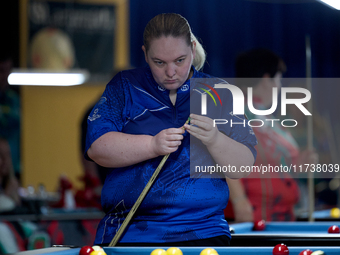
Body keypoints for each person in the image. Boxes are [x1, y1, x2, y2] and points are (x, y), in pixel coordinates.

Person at [84, 13, 257, 246]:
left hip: (204, 232)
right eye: (159, 62)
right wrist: (151, 145)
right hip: (129, 234)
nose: (171, 72)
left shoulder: (219, 92)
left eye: (179, 60)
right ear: (145, 54)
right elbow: (97, 148)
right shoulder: (124, 86)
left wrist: (216, 139)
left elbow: (243, 166)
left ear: (193, 50)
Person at [224, 48, 318, 222]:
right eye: (279, 79)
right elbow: (223, 158)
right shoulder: (233, 112)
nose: (279, 86)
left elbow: (280, 166)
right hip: (252, 221)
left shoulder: (268, 119)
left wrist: (300, 163)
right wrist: (239, 201)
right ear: (267, 79)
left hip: (279, 218)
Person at [0, 53, 21, 181]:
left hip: (12, 170)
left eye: (8, 71)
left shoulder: (14, 100)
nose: (5, 76)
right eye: (1, 71)